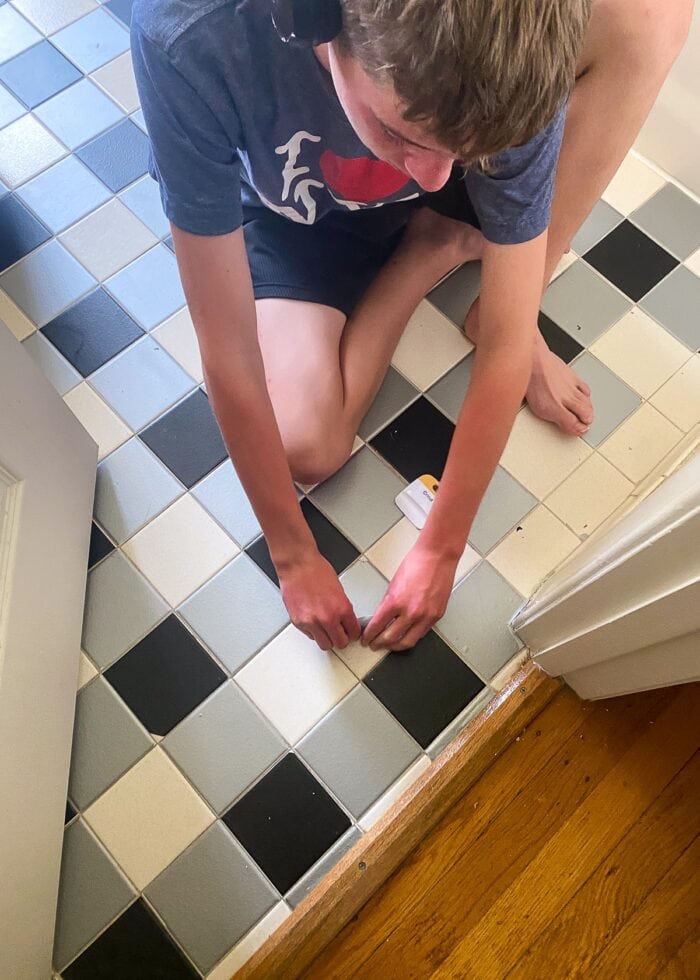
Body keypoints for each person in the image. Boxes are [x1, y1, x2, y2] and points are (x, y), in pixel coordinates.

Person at [131, 0, 692, 656]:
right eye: (401, 136)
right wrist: (292, 559)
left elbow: (504, 343)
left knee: (656, 12)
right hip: (294, 212)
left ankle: (509, 272)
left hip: (452, 120)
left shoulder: (511, 67)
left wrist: (442, 549)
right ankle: (431, 249)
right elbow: (226, 352)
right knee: (307, 446)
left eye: (463, 153)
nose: (435, 176)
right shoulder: (189, 33)